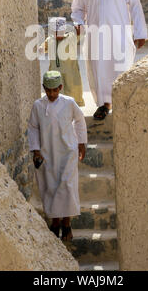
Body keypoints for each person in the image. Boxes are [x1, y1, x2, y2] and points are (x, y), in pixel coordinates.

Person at [71, 0, 148, 120]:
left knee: (121, 68)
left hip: (119, 35)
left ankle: (123, 104)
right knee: (99, 71)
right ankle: (104, 105)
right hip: (95, 37)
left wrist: (140, 33)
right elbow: (77, 9)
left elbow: (135, 5)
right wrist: (78, 23)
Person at [27, 70, 87, 241]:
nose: (52, 94)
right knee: (51, 186)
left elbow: (80, 120)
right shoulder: (38, 105)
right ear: (44, 88)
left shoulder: (69, 103)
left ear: (60, 87)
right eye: (48, 90)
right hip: (47, 153)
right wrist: (36, 150)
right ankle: (55, 222)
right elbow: (33, 127)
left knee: (67, 186)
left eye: (55, 90)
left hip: (68, 151)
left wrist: (81, 143)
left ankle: (66, 223)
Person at [39, 17, 85, 106]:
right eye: (56, 31)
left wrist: (79, 29)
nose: (58, 34)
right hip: (56, 72)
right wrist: (40, 49)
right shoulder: (50, 40)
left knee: (72, 92)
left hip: (70, 73)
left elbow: (80, 34)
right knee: (58, 96)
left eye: (60, 31)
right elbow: (43, 47)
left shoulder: (71, 37)